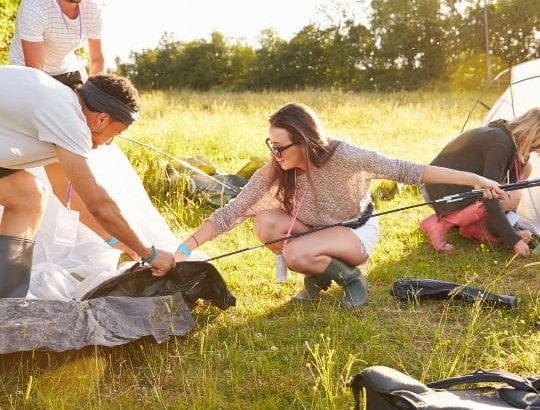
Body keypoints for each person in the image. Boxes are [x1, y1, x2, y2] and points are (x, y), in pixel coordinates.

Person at [167, 102, 505, 309]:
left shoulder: (345, 156)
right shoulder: (275, 169)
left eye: (280, 147)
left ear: (304, 140)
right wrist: (183, 248)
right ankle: (318, 274)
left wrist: (475, 180)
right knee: (265, 223)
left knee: (295, 253)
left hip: (354, 231)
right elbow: (231, 213)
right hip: (315, 230)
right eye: (270, 145)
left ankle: (352, 279)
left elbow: (409, 170)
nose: (275, 154)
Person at [0, 65, 176, 298]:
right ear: (102, 120)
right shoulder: (68, 119)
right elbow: (97, 201)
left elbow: (65, 191)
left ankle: (6, 299)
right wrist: (149, 253)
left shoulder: (62, 107)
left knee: (31, 197)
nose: (110, 143)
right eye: (115, 134)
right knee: (30, 197)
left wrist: (114, 240)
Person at [419, 107, 540, 256]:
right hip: (440, 191)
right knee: (512, 197)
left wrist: (514, 231)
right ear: (529, 133)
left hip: (462, 188)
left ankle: (473, 225)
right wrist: (513, 240)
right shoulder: (500, 144)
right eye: (537, 146)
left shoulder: (518, 146)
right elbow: (489, 196)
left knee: (522, 175)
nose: (537, 151)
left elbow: (509, 187)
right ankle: (440, 223)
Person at [9, 0, 104, 89]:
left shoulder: (93, 9)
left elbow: (97, 60)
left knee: (86, 102)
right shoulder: (34, 7)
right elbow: (36, 72)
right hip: (29, 71)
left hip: (67, 69)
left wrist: (93, 96)